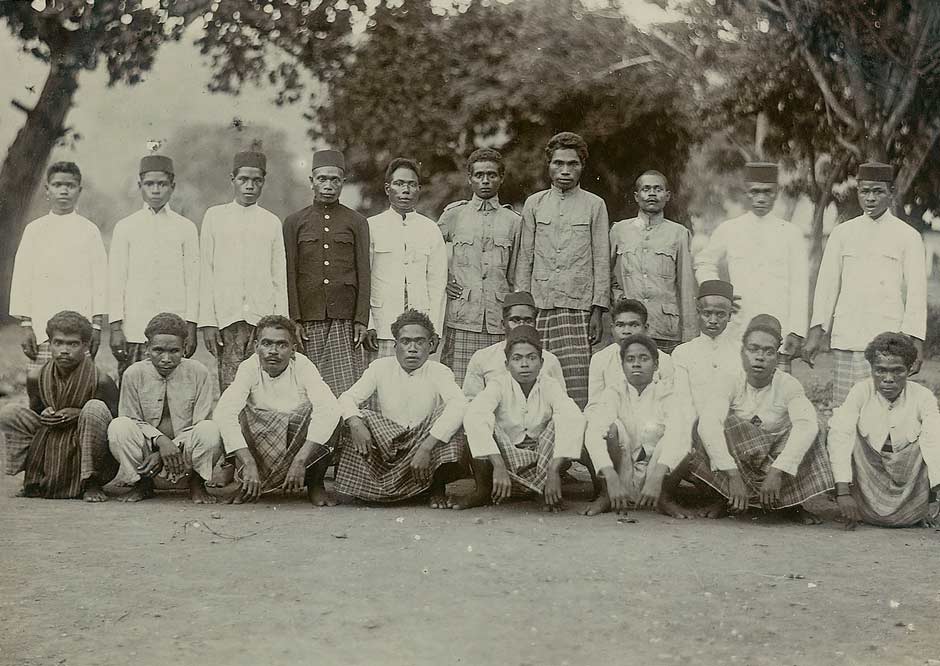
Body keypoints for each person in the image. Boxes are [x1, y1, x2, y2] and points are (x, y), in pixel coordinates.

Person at [689, 314, 834, 523]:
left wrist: (777, 471)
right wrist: (732, 475)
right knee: (709, 425)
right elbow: (709, 424)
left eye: (768, 351)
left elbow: (807, 425)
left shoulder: (788, 384)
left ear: (777, 356)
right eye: (753, 349)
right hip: (739, 462)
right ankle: (725, 498)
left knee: (814, 426)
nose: (760, 357)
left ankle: (792, 504)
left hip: (775, 462)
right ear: (742, 352)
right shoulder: (728, 381)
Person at [803, 162, 926, 406]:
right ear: (857, 192)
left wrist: (917, 342)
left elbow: (917, 293)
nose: (870, 198)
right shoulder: (842, 234)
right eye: (865, 191)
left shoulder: (908, 236)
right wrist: (817, 332)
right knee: (846, 409)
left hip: (889, 340)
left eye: (878, 191)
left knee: (884, 410)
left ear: (891, 193)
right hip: (848, 336)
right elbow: (827, 286)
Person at [514, 132, 610, 409]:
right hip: (540, 305)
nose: (565, 170)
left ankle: (575, 442)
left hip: (578, 306)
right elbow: (525, 258)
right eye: (558, 163)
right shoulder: (535, 204)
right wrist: (523, 306)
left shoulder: (595, 205)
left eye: (573, 164)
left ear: (582, 166)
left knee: (576, 378)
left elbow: (602, 258)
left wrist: (598, 310)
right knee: (536, 373)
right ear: (549, 165)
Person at [335, 309, 467, 507]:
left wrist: (426, 447)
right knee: (359, 417)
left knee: (451, 418)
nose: (412, 348)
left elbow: (459, 405)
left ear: (430, 345)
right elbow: (347, 398)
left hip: (424, 444)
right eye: (405, 342)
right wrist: (355, 422)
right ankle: (384, 491)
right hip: (390, 445)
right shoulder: (380, 367)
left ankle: (436, 488)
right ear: (395, 345)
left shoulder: (439, 371)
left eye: (419, 342)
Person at [639, 280, 742, 517]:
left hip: (727, 427)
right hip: (692, 425)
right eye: (707, 313)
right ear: (698, 313)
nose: (713, 320)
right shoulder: (684, 352)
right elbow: (683, 404)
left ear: (730, 316)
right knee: (683, 432)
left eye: (720, 314)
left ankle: (722, 499)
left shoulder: (740, 352)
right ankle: (664, 496)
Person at [213, 315, 341, 505]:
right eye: (267, 343)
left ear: (293, 350)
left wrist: (300, 461)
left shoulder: (303, 365)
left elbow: (329, 409)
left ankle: (316, 484)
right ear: (256, 346)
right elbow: (224, 412)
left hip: (295, 447)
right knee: (234, 414)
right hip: (258, 446)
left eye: (282, 345)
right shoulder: (248, 367)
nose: (273, 351)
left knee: (331, 415)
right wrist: (248, 462)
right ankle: (247, 483)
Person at [694, 162, 808, 370]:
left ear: (776, 193)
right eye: (755, 192)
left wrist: (797, 331)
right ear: (747, 193)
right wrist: (720, 295)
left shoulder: (791, 234)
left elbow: (801, 286)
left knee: (776, 394)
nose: (761, 198)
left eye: (767, 192)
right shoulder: (730, 229)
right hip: (738, 325)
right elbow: (704, 261)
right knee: (734, 390)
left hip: (779, 327)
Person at [460, 325, 584, 511]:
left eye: (531, 358)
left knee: (565, 419)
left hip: (541, 457)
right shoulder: (498, 384)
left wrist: (554, 470)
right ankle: (485, 489)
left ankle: (543, 488)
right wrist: (499, 465)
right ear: (507, 364)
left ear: (541, 363)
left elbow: (572, 417)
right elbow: (475, 416)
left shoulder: (549, 385)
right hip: (507, 457)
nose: (524, 364)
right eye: (517, 358)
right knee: (477, 418)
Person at [0, 311, 117, 501]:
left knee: (94, 407)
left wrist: (80, 414)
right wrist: (45, 413)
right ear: (50, 344)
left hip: (86, 439)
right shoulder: (36, 377)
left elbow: (115, 421)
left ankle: (91, 482)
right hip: (52, 433)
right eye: (58, 343)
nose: (64, 350)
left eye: (73, 344)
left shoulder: (101, 380)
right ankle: (34, 478)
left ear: (86, 346)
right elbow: (35, 412)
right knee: (10, 413)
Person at [107, 313, 223, 503]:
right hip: (147, 462)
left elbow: (200, 422)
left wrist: (169, 448)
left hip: (186, 459)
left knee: (210, 429)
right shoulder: (133, 374)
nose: (166, 358)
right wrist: (161, 442)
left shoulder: (198, 372)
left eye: (174, 351)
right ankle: (142, 484)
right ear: (147, 348)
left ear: (185, 348)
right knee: (119, 426)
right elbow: (132, 419)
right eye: (158, 350)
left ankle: (197, 483)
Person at [828, 333, 940, 528]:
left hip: (908, 481)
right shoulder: (861, 391)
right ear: (871, 369)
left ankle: (917, 508)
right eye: (880, 371)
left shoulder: (922, 396)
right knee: (839, 430)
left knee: (930, 436)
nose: (888, 379)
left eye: (898, 371)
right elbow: (841, 435)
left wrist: (934, 495)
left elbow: (934, 440)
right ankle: (855, 506)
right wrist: (843, 492)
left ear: (910, 369)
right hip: (868, 479)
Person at [199, 149, 288, 391]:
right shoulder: (215, 217)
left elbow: (279, 276)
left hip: (263, 320)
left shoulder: (271, 221)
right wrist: (208, 322)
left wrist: (281, 323)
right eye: (243, 179)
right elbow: (205, 272)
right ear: (233, 179)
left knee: (264, 386)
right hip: (227, 319)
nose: (250, 186)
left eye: (256, 180)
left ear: (263, 183)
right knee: (231, 388)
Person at [284, 149, 371, 396]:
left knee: (345, 388)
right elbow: (290, 274)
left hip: (344, 318)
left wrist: (361, 320)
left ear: (343, 182)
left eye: (335, 180)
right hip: (309, 318)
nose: (328, 185)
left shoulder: (356, 222)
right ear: (311, 181)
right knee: (309, 387)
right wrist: (295, 320)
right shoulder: (294, 222)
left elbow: (364, 272)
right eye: (322, 179)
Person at [9, 162, 107, 373]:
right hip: (43, 322)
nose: (64, 190)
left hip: (80, 325)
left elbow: (100, 279)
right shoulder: (34, 230)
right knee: (39, 382)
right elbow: (22, 278)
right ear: (47, 189)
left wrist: (96, 326)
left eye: (70, 186)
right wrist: (26, 325)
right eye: (57, 184)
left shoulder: (89, 230)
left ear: (79, 190)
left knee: (80, 383)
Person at [108, 154, 199, 377]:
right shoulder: (125, 227)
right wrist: (116, 327)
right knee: (134, 384)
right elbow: (116, 279)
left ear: (172, 187)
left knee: (175, 387)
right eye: (149, 184)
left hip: (174, 327)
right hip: (135, 326)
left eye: (162, 184)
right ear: (140, 186)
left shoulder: (185, 228)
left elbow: (194, 279)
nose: (156, 190)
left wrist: (192, 326)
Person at [438, 148, 522, 385]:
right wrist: (444, 279)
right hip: (463, 315)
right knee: (458, 384)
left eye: (492, 175)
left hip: (498, 319)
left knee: (498, 384)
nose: (485, 180)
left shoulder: (513, 221)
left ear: (501, 178)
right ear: (470, 178)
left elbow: (518, 271)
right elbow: (427, 251)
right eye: (479, 175)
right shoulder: (455, 215)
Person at [582, 333, 688, 518]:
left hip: (656, 475)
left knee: (682, 437)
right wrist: (610, 475)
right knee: (611, 429)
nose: (636, 364)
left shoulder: (667, 393)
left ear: (656, 365)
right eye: (630, 359)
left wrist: (656, 478)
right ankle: (607, 494)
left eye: (644, 358)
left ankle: (665, 497)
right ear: (622, 366)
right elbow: (594, 433)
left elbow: (679, 434)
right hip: (621, 471)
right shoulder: (614, 392)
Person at [365, 158, 447, 360]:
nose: (405, 190)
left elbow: (437, 284)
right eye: (399, 183)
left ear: (419, 189)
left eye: (411, 184)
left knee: (417, 386)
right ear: (387, 188)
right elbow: (364, 279)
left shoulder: (430, 229)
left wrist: (434, 329)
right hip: (382, 326)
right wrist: (369, 325)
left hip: (419, 330)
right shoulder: (371, 227)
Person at [610, 170, 696, 354]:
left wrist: (689, 337)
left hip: (664, 328)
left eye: (658, 189)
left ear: (667, 196)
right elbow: (605, 273)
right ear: (636, 196)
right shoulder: (619, 231)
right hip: (630, 327)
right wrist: (618, 297)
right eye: (646, 189)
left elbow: (686, 287)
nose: (651, 194)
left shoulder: (679, 233)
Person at [462, 291, 566, 400]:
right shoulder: (483, 357)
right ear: (503, 324)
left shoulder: (550, 360)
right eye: (515, 320)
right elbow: (471, 401)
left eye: (528, 321)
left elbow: (561, 404)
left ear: (535, 324)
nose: (521, 325)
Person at [588, 298, 674, 404]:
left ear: (646, 328)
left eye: (634, 325)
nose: (626, 331)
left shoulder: (664, 360)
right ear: (612, 328)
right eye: (620, 325)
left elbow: (670, 404)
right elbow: (594, 405)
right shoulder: (600, 359)